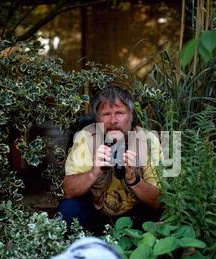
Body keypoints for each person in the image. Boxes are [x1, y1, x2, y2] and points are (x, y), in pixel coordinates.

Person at [58, 85, 163, 234]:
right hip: (96, 214)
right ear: (97, 118)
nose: (113, 121)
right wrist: (93, 173)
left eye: (120, 113)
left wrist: (134, 179)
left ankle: (137, 247)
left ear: (131, 116)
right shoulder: (86, 137)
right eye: (106, 114)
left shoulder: (148, 141)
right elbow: (69, 191)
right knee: (68, 209)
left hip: (134, 217)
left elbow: (157, 201)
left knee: (159, 217)